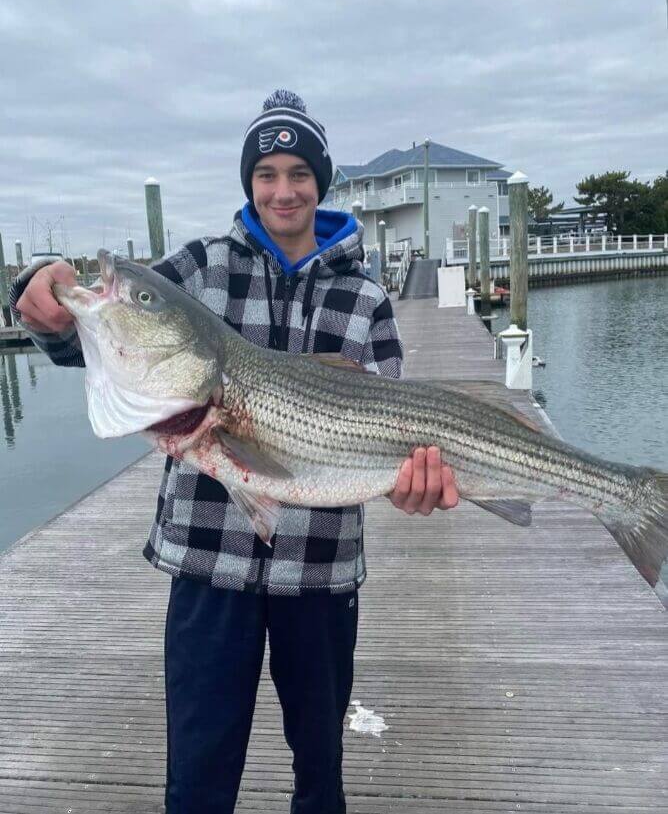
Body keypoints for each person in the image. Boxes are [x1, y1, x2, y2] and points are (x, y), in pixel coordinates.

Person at [12, 90, 459, 814]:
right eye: (266, 173)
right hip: (205, 566)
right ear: (249, 182)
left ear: (323, 180)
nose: (283, 189)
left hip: (320, 571)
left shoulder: (366, 295)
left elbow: (395, 424)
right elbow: (99, 337)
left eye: (299, 173)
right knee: (196, 780)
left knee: (320, 773)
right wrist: (36, 298)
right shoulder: (197, 267)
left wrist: (412, 484)